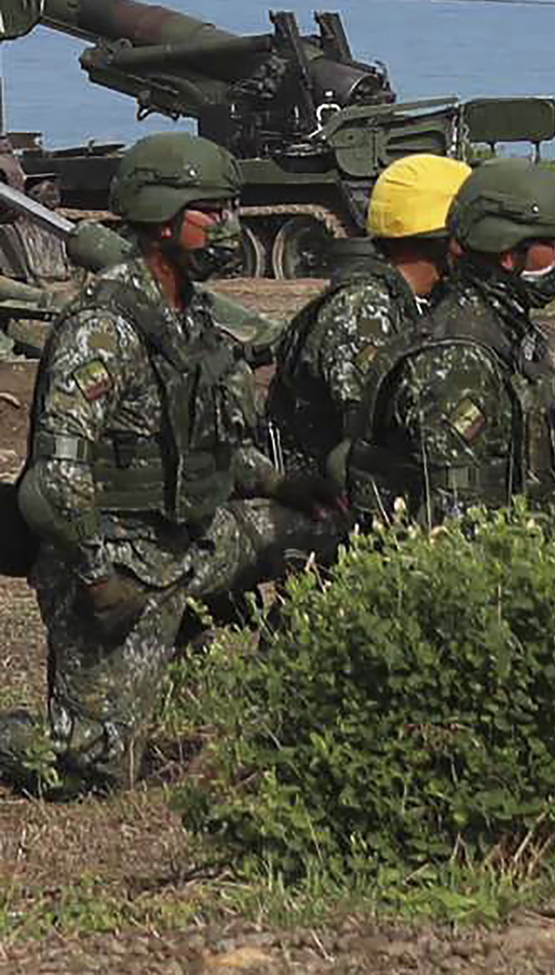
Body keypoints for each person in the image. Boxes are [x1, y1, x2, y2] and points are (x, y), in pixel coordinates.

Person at [3, 136, 339, 794]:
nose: (227, 226)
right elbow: (58, 477)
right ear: (162, 217)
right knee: (90, 773)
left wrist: (280, 485)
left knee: (330, 530)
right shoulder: (104, 329)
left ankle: (275, 697)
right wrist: (100, 581)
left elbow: (203, 442)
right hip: (118, 563)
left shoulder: (192, 318)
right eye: (211, 211)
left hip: (189, 541)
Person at [350, 161, 555, 526]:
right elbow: (456, 526)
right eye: (549, 248)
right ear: (507, 254)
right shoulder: (455, 362)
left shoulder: (513, 338)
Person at [262, 153, 471, 489]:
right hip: (316, 496)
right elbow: (371, 431)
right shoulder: (363, 310)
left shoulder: (421, 302)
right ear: (443, 236)